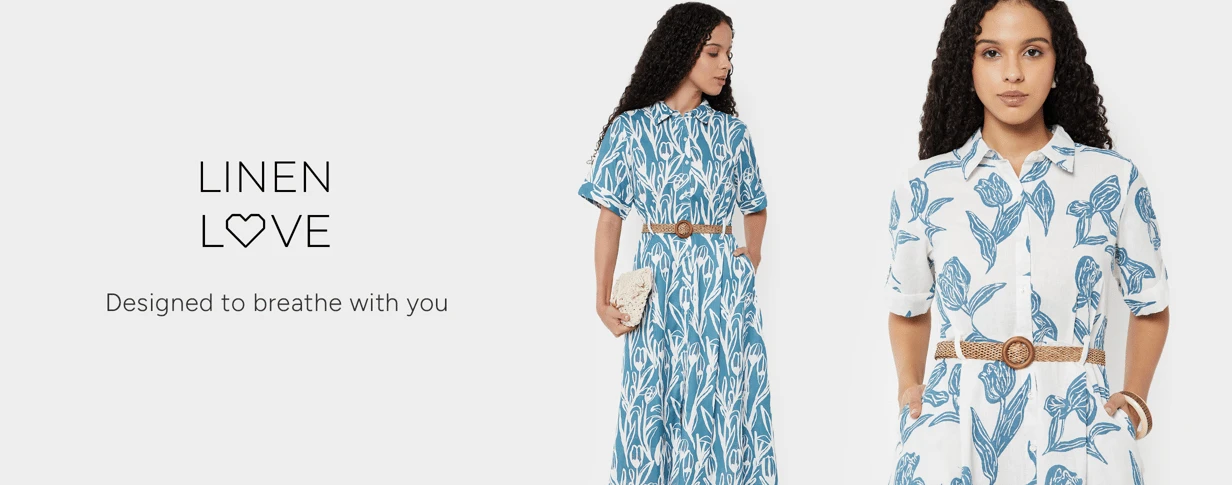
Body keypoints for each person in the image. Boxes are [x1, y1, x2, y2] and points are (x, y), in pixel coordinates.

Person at [885, 1, 1169, 483]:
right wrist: (910, 389)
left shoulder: (1114, 179)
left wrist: (1134, 400)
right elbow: (907, 306)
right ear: (967, 66)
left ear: (1059, 65)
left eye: (1033, 52)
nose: (1012, 72)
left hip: (1081, 433)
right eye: (991, 52)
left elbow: (1152, 304)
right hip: (954, 438)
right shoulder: (924, 185)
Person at [578, 3, 775, 484]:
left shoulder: (732, 134)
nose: (726, 64)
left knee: (719, 405)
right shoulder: (630, 130)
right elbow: (610, 218)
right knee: (652, 400)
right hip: (658, 288)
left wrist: (749, 258)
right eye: (714, 52)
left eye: (729, 54)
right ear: (682, 51)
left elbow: (756, 206)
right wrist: (602, 298)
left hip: (720, 291)